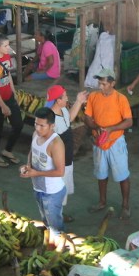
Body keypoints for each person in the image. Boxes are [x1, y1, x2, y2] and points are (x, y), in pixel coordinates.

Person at [84, 68, 133, 222]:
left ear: (113, 83)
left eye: (104, 84)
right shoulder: (93, 97)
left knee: (122, 175)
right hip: (99, 143)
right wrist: (95, 127)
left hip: (116, 143)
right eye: (100, 83)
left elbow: (129, 121)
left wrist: (111, 129)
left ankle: (125, 205)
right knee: (101, 174)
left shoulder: (121, 99)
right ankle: (102, 201)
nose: (101, 87)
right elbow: (87, 118)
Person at [20, 107, 66, 245]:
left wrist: (37, 173)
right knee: (46, 219)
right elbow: (32, 152)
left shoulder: (56, 143)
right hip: (38, 188)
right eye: (36, 124)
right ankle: (50, 240)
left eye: (42, 125)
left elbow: (60, 171)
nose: (38, 128)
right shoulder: (36, 134)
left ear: (52, 126)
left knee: (55, 226)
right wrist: (28, 165)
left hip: (52, 193)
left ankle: (60, 247)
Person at [46, 85, 87, 223]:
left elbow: (68, 118)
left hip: (66, 159)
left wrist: (79, 101)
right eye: (65, 96)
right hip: (59, 163)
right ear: (58, 100)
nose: (67, 97)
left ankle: (58, 214)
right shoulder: (51, 121)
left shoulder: (61, 110)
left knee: (62, 189)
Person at [0, 35, 24, 168]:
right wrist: (2, 106)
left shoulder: (7, 57)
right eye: (6, 46)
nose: (9, 48)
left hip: (9, 97)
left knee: (18, 125)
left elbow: (8, 76)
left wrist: (14, 92)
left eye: (8, 45)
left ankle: (7, 151)